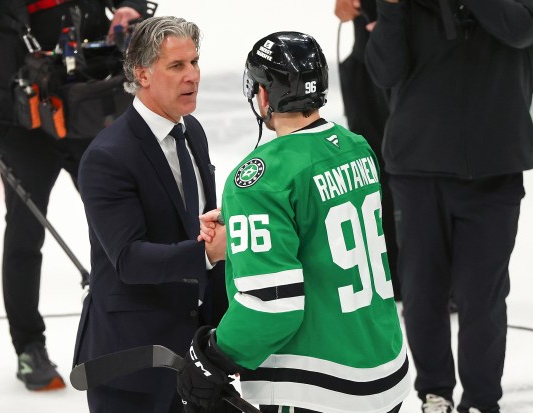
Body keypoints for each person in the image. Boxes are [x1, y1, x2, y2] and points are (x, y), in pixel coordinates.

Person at [176, 31, 411, 413]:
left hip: (320, 386)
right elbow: (320, 226)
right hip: (386, 369)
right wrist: (245, 223)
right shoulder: (356, 147)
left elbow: (270, 307)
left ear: (264, 95)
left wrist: (214, 356)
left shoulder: (258, 179)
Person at [0, 0, 148, 391]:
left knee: (120, 227)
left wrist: (130, 9)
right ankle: (29, 347)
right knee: (25, 233)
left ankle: (132, 335)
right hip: (21, 119)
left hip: (89, 105)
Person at [364, 1, 533, 412]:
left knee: (483, 297)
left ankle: (480, 400)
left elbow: (519, 30)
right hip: (417, 169)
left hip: (495, 169)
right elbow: (383, 71)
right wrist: (388, 12)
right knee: (422, 293)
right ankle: (435, 391)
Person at [74, 16, 228, 413]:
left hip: (194, 354)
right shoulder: (108, 157)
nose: (192, 75)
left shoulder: (192, 131)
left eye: (194, 62)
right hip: (132, 362)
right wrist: (208, 253)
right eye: (177, 66)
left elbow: (196, 223)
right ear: (142, 74)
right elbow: (128, 259)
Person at [333, 0, 401, 301]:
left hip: (417, 63)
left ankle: (435, 273)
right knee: (371, 170)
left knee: (420, 172)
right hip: (368, 64)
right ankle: (393, 270)